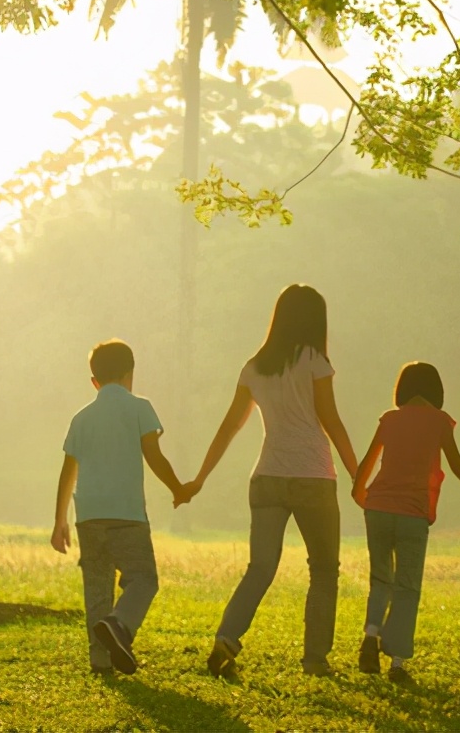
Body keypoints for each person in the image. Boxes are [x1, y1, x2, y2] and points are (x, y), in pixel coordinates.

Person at [180, 284, 358, 677]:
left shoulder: (254, 366)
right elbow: (330, 421)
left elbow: (230, 426)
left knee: (260, 567)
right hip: (313, 476)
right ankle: (315, 660)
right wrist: (357, 473)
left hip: (267, 479)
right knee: (324, 570)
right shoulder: (315, 360)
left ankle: (227, 635)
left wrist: (200, 478)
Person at [51, 339, 190, 676]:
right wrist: (177, 488)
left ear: (94, 381)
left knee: (97, 587)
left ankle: (101, 661)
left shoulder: (81, 418)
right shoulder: (140, 407)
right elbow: (153, 456)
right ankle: (120, 624)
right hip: (127, 515)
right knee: (143, 579)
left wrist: (60, 521)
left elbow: (69, 471)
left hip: (90, 516)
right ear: (130, 374)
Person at [351, 361, 460, 683]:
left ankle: (370, 636)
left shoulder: (390, 419)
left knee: (380, 579)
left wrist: (362, 495)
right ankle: (397, 663)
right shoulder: (439, 421)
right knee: (407, 586)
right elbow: (455, 464)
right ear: (436, 391)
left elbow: (367, 462)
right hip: (412, 513)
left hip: (379, 509)